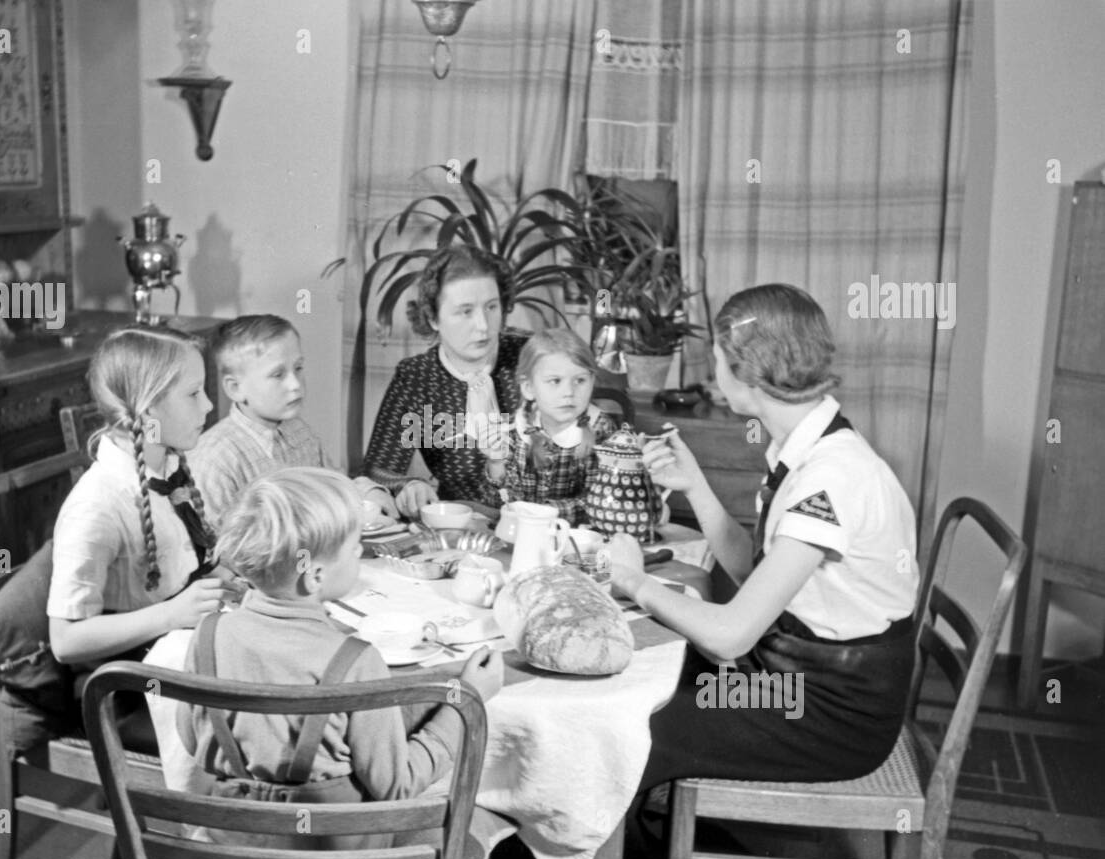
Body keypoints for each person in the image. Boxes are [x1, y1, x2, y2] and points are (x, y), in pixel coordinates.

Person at [606, 284, 921, 787]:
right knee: (651, 681)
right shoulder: (812, 447)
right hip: (792, 682)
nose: (713, 370)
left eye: (717, 357)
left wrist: (632, 580)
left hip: (826, 714)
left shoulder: (830, 478)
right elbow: (759, 578)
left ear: (746, 371)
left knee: (628, 726)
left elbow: (731, 634)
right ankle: (652, 840)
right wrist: (697, 487)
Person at [177, 467, 503, 844]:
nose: (359, 554)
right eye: (354, 549)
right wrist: (463, 701)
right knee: (479, 825)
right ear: (314, 576)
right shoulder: (356, 660)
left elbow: (192, 739)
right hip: (333, 852)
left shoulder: (208, 634)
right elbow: (396, 785)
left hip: (235, 844)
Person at [46, 326, 238, 665]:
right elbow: (65, 641)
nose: (208, 405)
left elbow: (177, 575)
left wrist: (216, 582)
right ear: (149, 411)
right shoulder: (97, 505)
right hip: (134, 680)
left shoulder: (169, 469)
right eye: (194, 393)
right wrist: (171, 614)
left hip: (183, 647)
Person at [363, 244, 528, 516]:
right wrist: (409, 484)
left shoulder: (532, 356)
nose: (484, 326)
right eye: (465, 311)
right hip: (462, 528)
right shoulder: (416, 377)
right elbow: (377, 471)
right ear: (433, 318)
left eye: (491, 307)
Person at [189, 314, 398, 521]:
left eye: (298, 368)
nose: (295, 384)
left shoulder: (299, 431)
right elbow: (217, 547)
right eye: (278, 375)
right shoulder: (215, 460)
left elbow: (335, 484)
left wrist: (366, 491)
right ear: (235, 389)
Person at [488, 327, 618, 526]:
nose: (569, 392)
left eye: (580, 380)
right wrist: (496, 465)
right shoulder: (517, 429)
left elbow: (602, 502)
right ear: (529, 388)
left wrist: (543, 513)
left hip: (578, 543)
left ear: (592, 382)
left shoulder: (601, 431)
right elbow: (499, 502)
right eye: (555, 381)